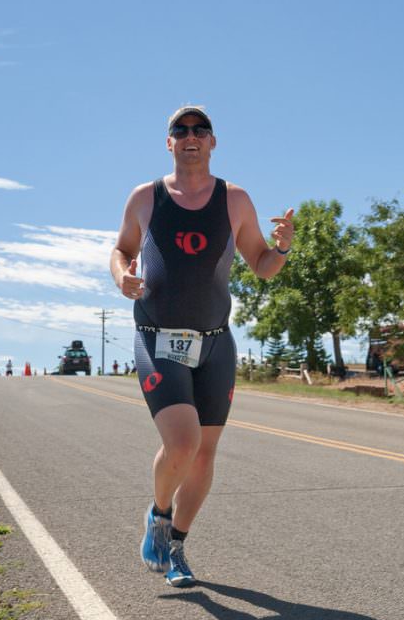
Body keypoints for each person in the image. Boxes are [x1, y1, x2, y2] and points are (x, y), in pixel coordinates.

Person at [110, 105, 293, 587]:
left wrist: (283, 248)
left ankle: (176, 549)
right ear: (169, 143)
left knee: (205, 455)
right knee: (183, 442)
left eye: (200, 130)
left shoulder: (235, 200)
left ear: (213, 142)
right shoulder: (145, 197)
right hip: (158, 335)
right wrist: (121, 277)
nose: (191, 136)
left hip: (215, 342)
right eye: (181, 130)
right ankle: (159, 513)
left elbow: (261, 264)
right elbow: (122, 250)